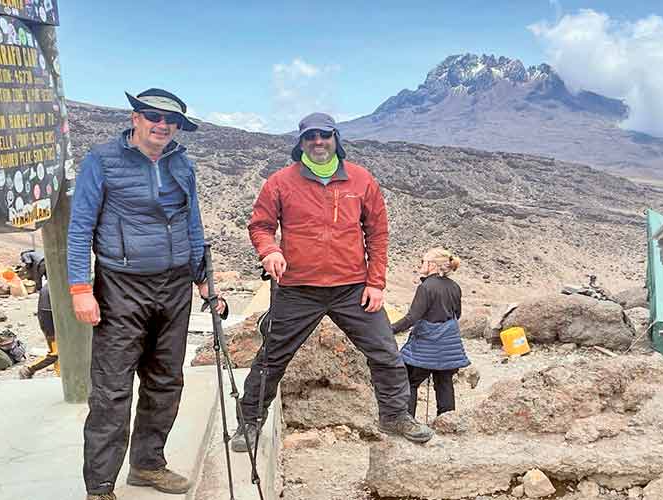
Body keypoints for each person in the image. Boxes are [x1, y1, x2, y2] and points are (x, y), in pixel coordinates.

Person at [232, 112, 433, 451]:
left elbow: (378, 233)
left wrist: (376, 282)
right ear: (301, 143)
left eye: (325, 135)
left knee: (385, 351)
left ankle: (395, 415)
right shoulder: (280, 182)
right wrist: (269, 251)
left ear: (337, 139)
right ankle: (249, 423)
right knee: (272, 357)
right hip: (297, 288)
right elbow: (261, 226)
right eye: (311, 136)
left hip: (352, 287)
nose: (318, 142)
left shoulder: (361, 180)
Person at [68, 88, 222, 500]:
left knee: (166, 381)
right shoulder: (101, 161)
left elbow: (193, 223)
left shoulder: (181, 163)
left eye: (170, 121)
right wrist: (81, 288)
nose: (162, 125)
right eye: (153, 116)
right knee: (112, 389)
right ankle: (99, 487)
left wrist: (203, 278)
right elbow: (80, 227)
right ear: (135, 117)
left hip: (174, 285)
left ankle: (148, 465)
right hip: (121, 285)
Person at [391, 247, 470, 418]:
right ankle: (448, 422)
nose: (420, 264)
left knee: (409, 381)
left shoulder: (426, 287)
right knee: (444, 382)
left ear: (432, 265)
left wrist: (390, 330)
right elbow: (457, 314)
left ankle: (407, 421)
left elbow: (412, 317)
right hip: (449, 344)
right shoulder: (455, 287)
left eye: (423, 261)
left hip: (427, 345)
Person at [18, 280, 59, 378]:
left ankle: (61, 378)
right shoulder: (56, 286)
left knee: (60, 354)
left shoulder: (55, 282)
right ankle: (29, 369)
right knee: (56, 353)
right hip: (50, 321)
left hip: (50, 318)